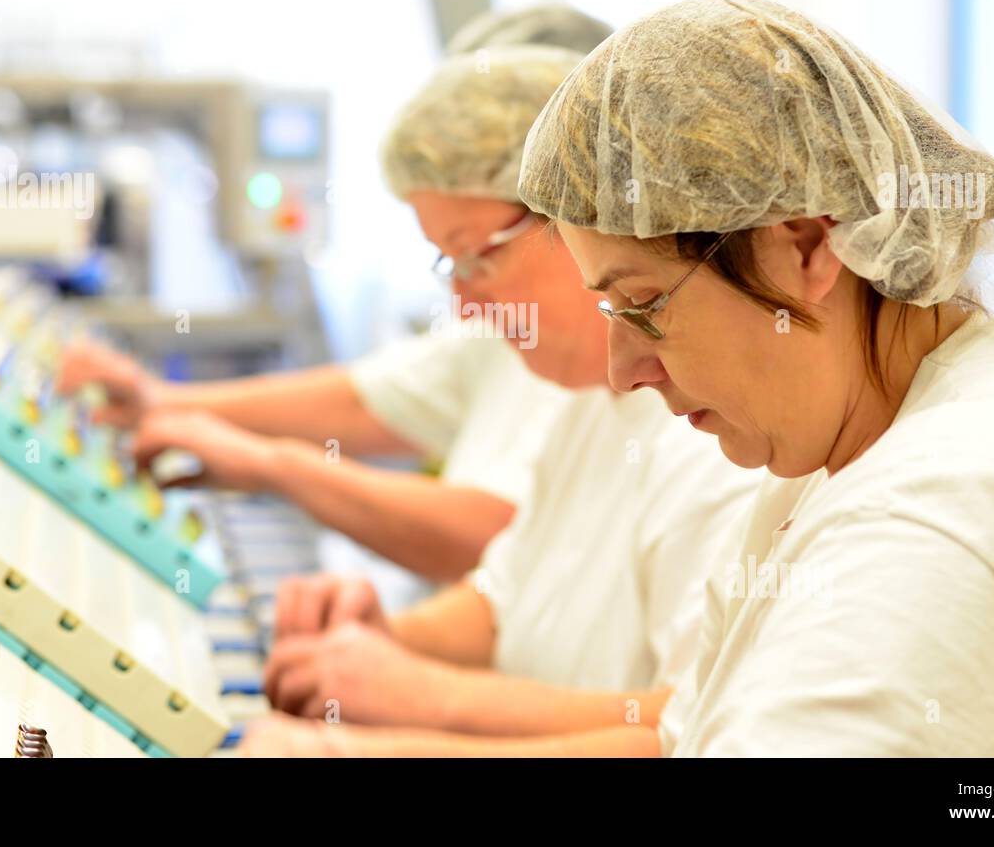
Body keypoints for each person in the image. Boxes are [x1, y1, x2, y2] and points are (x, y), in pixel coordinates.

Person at [508, 0, 994, 756]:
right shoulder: (840, 455)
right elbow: (685, 739)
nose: (623, 370)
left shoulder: (941, 512)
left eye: (641, 302)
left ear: (803, 247)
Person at [236, 45, 760, 757]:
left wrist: (414, 705)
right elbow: (504, 596)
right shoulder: (584, 397)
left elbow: (691, 730)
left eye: (475, 255)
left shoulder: (723, 438)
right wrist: (383, 638)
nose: (463, 296)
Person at [55, 5, 614, 580]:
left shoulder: (613, 365)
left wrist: (278, 470)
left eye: (476, 254)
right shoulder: (524, 331)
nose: (465, 303)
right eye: (451, 261)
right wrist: (159, 402)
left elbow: (502, 540)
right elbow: (366, 397)